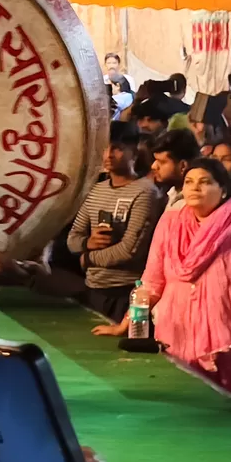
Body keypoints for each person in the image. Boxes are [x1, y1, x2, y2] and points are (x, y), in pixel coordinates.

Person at [94, 158, 231, 406]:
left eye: (205, 182)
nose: (195, 188)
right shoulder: (171, 222)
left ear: (224, 190)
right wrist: (126, 324)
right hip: (178, 331)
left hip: (230, 335)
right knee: (187, 403)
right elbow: (152, 280)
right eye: (189, 182)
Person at [66, 134, 164, 321]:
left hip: (125, 291)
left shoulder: (145, 191)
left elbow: (130, 250)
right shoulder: (97, 189)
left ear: (134, 153)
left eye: (117, 148)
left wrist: (88, 257)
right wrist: (88, 242)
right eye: (105, 148)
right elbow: (73, 239)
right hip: (93, 287)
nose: (109, 154)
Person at [150, 128, 200, 209]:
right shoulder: (171, 193)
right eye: (155, 160)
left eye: (162, 162)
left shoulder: (194, 202)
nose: (154, 166)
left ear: (183, 166)